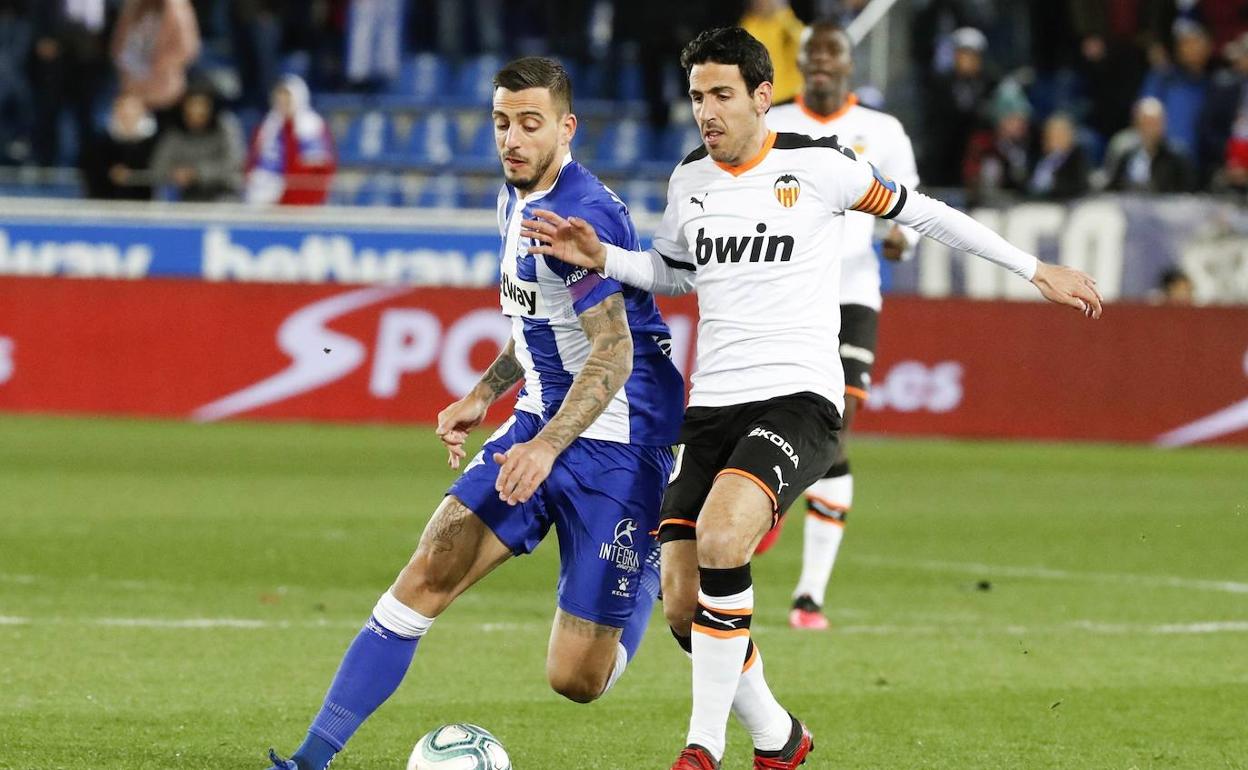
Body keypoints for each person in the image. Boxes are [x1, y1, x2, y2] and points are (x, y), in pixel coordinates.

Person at [522, 27, 1102, 770]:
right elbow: (674, 271)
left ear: (763, 95)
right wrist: (604, 257)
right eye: (698, 96)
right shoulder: (689, 179)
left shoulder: (819, 166)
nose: (707, 111)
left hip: (798, 400)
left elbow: (921, 213)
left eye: (722, 95)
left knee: (727, 535)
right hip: (712, 409)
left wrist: (1033, 269)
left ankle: (703, 748)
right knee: (679, 602)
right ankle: (778, 737)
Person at [264, 56, 686, 770]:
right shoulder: (511, 200)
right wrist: (484, 394)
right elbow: (541, 324)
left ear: (566, 127)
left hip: (624, 445)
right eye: (501, 123)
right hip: (541, 423)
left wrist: (547, 447)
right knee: (429, 568)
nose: (512, 139)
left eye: (530, 124)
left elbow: (611, 354)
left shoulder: (581, 215)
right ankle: (308, 761)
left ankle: (647, 565)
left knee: (576, 679)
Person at [761, 20, 920, 630]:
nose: (821, 61)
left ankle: (808, 596)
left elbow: (907, 207)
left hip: (853, 293)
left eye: (831, 53)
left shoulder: (883, 133)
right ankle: (767, 504)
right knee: (774, 415)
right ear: (800, 64)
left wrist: (900, 238)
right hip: (788, 292)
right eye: (811, 55)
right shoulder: (773, 121)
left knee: (837, 426)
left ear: (849, 65)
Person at [921, 26, 998, 187]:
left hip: (976, 156)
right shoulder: (940, 83)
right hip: (945, 157)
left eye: (973, 55)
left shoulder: (990, 83)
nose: (968, 60)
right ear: (955, 55)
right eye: (964, 54)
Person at [245, 75, 336, 206]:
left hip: (301, 205)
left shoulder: (313, 128)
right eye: (279, 98)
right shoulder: (266, 127)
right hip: (263, 202)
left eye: (287, 99)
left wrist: (289, 199)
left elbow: (319, 174)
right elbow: (252, 162)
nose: (282, 103)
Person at [150, 85, 245, 202]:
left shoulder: (225, 126)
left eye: (202, 105)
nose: (196, 110)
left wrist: (197, 173)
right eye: (191, 105)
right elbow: (158, 167)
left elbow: (234, 162)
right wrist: (174, 174)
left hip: (224, 191)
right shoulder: (174, 133)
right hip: (186, 196)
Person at [111, 0, 201, 115]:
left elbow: (188, 48)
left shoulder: (177, 7)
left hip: (163, 90)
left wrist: (160, 65)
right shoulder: (134, 5)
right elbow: (118, 44)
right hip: (131, 88)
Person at [1105, 97, 1194, 193]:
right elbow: (1112, 187)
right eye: (1145, 122)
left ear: (1164, 124)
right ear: (1136, 123)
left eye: (1154, 123)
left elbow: (1187, 193)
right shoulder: (1125, 152)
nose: (1149, 128)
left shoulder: (1177, 156)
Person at [80, 93, 159, 200]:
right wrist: (111, 173)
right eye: (123, 108)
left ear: (142, 111)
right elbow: (90, 169)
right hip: (105, 201)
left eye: (132, 108)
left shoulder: (156, 142)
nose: (127, 113)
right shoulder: (101, 141)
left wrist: (133, 176)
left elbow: (160, 172)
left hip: (144, 203)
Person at [1029, 113, 1091, 200]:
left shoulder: (1077, 158)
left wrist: (1051, 188)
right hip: (1033, 203)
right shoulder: (1040, 157)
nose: (1055, 139)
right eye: (1051, 135)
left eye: (1060, 135)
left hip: (1061, 204)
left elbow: (1079, 186)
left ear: (1069, 136)